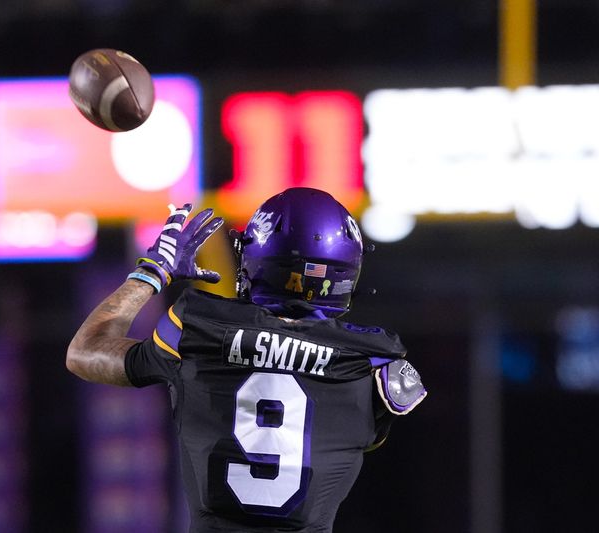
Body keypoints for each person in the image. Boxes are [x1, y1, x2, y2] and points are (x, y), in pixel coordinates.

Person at [67, 187, 427, 532]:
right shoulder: (373, 361)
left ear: (257, 260)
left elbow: (84, 353)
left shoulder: (197, 327)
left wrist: (151, 273)